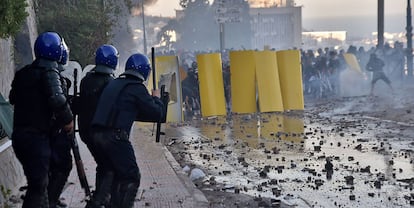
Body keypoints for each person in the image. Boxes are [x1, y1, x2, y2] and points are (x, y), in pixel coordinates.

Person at [88, 53, 166, 207]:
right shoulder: (137, 88)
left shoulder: (115, 83)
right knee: (131, 177)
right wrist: (157, 98)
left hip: (96, 136)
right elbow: (157, 113)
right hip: (115, 137)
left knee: (114, 174)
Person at [9, 31, 73, 207]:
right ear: (56, 51)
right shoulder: (50, 70)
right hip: (36, 138)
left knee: (38, 184)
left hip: (20, 135)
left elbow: (13, 97)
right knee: (38, 186)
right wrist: (68, 120)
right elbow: (57, 99)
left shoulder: (23, 73)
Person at [79, 44, 119, 207]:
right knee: (110, 166)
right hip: (102, 133)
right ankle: (99, 201)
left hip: (86, 132)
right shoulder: (111, 83)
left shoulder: (86, 80)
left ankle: (102, 197)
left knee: (103, 164)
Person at [48, 39, 73, 208]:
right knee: (63, 166)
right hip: (53, 131)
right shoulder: (52, 75)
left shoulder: (30, 73)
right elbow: (58, 101)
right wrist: (68, 119)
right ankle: (50, 201)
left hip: (37, 132)